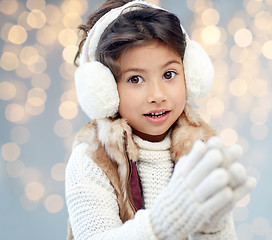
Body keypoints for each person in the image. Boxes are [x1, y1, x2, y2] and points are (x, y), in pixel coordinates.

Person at [65, 0, 256, 239]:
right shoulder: (92, 158)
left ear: (189, 74)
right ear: (105, 90)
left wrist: (213, 227)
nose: (157, 95)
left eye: (169, 74)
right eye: (135, 79)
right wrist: (163, 223)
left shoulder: (200, 148)